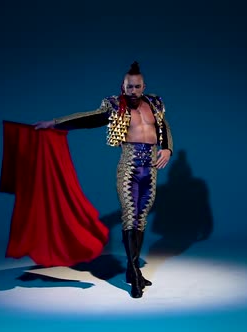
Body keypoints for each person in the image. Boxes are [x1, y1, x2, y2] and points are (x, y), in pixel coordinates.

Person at [34, 61, 173, 299]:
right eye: (129, 87)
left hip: (150, 169)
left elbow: (163, 126)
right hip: (129, 167)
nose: (133, 91)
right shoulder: (114, 105)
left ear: (143, 86)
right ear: (123, 86)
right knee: (130, 216)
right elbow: (89, 118)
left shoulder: (154, 103)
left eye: (137, 87)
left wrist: (167, 148)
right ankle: (135, 277)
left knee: (141, 219)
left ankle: (132, 270)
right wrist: (56, 123)